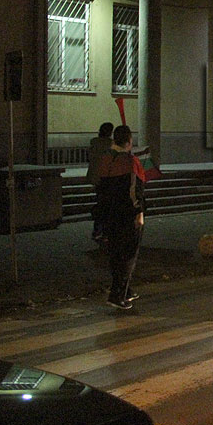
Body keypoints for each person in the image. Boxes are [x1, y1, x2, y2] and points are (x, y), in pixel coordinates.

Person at [95, 125, 145, 310]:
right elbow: (135, 190)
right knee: (128, 254)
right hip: (126, 213)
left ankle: (125, 290)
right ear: (129, 141)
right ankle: (118, 294)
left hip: (108, 212)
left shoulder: (106, 159)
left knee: (115, 252)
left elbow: (100, 186)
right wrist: (139, 212)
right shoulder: (131, 162)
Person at [87, 122, 114, 242]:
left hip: (97, 177)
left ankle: (97, 230)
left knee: (101, 203)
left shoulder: (94, 142)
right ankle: (104, 231)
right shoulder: (111, 144)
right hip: (107, 178)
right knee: (107, 206)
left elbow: (91, 158)